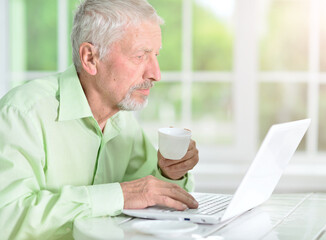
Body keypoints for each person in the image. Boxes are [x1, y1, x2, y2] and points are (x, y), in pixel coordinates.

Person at [0, 0, 199, 239]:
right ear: (90, 58)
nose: (156, 74)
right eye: (140, 56)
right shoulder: (22, 113)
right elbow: (7, 218)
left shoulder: (123, 123)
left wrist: (170, 173)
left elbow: (149, 198)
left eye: (155, 55)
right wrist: (119, 195)